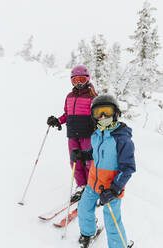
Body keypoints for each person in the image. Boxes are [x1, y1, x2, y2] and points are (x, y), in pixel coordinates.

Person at [70, 95, 136, 248]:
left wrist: (114, 189)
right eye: (98, 112)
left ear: (116, 112)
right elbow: (94, 152)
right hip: (93, 183)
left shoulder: (122, 139)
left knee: (111, 219)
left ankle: (119, 245)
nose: (103, 116)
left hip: (111, 187)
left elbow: (128, 168)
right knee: (84, 208)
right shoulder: (97, 134)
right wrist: (82, 154)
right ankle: (87, 233)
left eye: (107, 111)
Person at [47, 65, 97, 202]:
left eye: (81, 79)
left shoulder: (93, 96)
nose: (79, 83)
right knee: (75, 161)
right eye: (75, 80)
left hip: (88, 134)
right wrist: (58, 121)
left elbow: (100, 115)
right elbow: (67, 114)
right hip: (72, 134)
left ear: (87, 79)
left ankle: (91, 186)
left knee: (89, 161)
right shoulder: (69, 96)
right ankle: (81, 186)